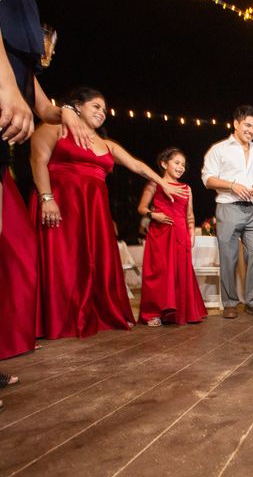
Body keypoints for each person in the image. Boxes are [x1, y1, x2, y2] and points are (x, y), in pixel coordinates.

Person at [30, 87, 187, 339]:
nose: (102, 113)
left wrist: (162, 181)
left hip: (94, 212)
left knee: (93, 261)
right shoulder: (53, 128)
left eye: (104, 110)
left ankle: (95, 313)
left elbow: (136, 165)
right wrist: (46, 198)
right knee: (62, 261)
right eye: (96, 107)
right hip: (62, 204)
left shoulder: (106, 144)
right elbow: (38, 160)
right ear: (77, 106)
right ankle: (57, 319)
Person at [0, 0, 91, 364]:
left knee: (19, 257)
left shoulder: (23, 67)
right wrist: (6, 87)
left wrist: (68, 112)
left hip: (3, 160)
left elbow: (44, 109)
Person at [201, 105, 253, 319]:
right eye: (248, 125)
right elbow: (207, 179)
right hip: (228, 206)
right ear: (236, 124)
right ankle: (230, 302)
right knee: (228, 257)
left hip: (252, 210)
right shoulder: (219, 149)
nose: (252, 130)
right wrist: (232, 185)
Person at [137, 147, 207, 326]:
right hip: (160, 233)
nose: (180, 167)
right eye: (176, 163)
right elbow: (141, 208)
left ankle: (178, 313)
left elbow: (189, 215)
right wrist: (154, 215)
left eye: (183, 164)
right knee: (159, 274)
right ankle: (153, 313)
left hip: (181, 233)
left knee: (180, 273)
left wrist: (191, 233)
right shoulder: (155, 184)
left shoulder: (186, 188)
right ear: (164, 163)